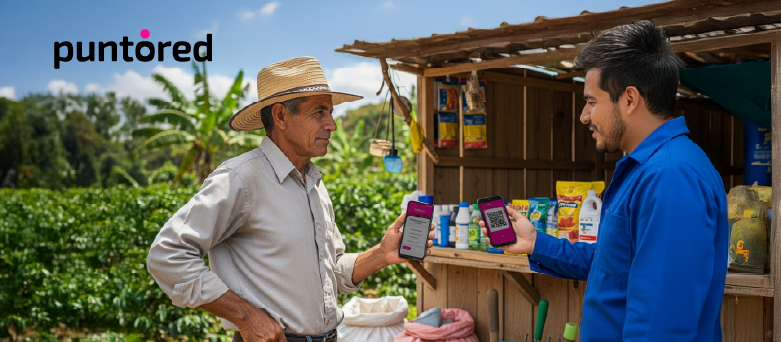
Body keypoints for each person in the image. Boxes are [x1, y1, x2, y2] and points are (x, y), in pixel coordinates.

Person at [147, 56, 435, 342]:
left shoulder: (313, 183)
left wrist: (380, 255)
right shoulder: (241, 178)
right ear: (281, 116)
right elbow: (167, 255)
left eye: (330, 113)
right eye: (319, 112)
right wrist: (246, 317)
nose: (331, 125)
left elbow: (331, 273)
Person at [481, 21, 728, 341]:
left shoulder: (669, 178)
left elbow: (660, 327)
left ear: (629, 99)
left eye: (592, 101)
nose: (584, 116)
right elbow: (613, 264)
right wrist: (536, 243)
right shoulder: (646, 169)